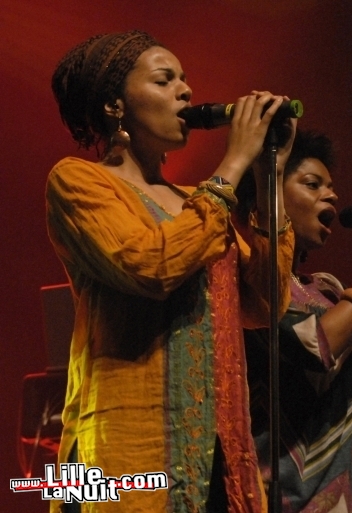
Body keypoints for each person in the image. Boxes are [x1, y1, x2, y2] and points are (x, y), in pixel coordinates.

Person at [47, 30, 295, 512]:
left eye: (185, 79)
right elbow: (153, 267)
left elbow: (265, 303)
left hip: (219, 458)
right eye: (165, 80)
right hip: (130, 457)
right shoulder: (78, 181)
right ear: (114, 105)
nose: (185, 91)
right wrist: (235, 160)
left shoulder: (195, 199)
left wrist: (270, 178)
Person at [235, 130, 352, 512]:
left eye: (331, 187)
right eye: (312, 184)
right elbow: (314, 345)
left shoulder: (330, 290)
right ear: (265, 195)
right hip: (268, 497)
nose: (332, 196)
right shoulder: (245, 278)